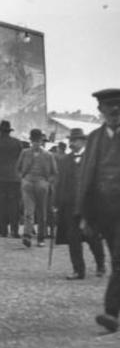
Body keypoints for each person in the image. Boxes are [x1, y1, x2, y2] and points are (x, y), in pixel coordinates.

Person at [76, 88, 120, 334]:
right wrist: (83, 215)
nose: (115, 113)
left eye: (119, 109)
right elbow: (85, 178)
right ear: (100, 111)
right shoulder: (94, 138)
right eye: (109, 109)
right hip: (102, 211)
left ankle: (111, 313)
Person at [55, 128, 105, 280]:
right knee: (73, 238)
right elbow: (60, 183)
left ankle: (100, 264)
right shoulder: (64, 160)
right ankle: (78, 270)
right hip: (70, 205)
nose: (72, 143)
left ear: (83, 142)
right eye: (71, 140)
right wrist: (56, 203)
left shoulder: (93, 159)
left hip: (89, 206)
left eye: (75, 140)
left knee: (92, 237)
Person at [17, 128, 58, 248]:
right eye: (34, 141)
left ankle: (41, 237)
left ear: (42, 141)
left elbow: (54, 172)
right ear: (31, 141)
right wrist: (23, 180)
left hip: (42, 184)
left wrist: (47, 183)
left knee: (42, 212)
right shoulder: (24, 153)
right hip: (28, 183)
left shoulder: (48, 155)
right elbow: (18, 168)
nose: (36, 143)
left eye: (38, 141)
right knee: (28, 211)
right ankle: (27, 235)